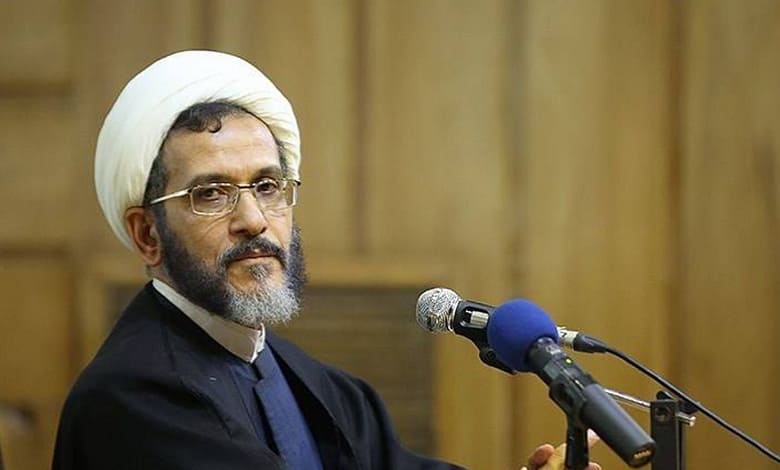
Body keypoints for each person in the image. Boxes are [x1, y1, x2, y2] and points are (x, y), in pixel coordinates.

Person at [51, 50, 599, 470]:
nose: (254, 220)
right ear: (148, 233)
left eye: (268, 186)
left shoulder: (309, 379)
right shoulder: (132, 400)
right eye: (212, 194)